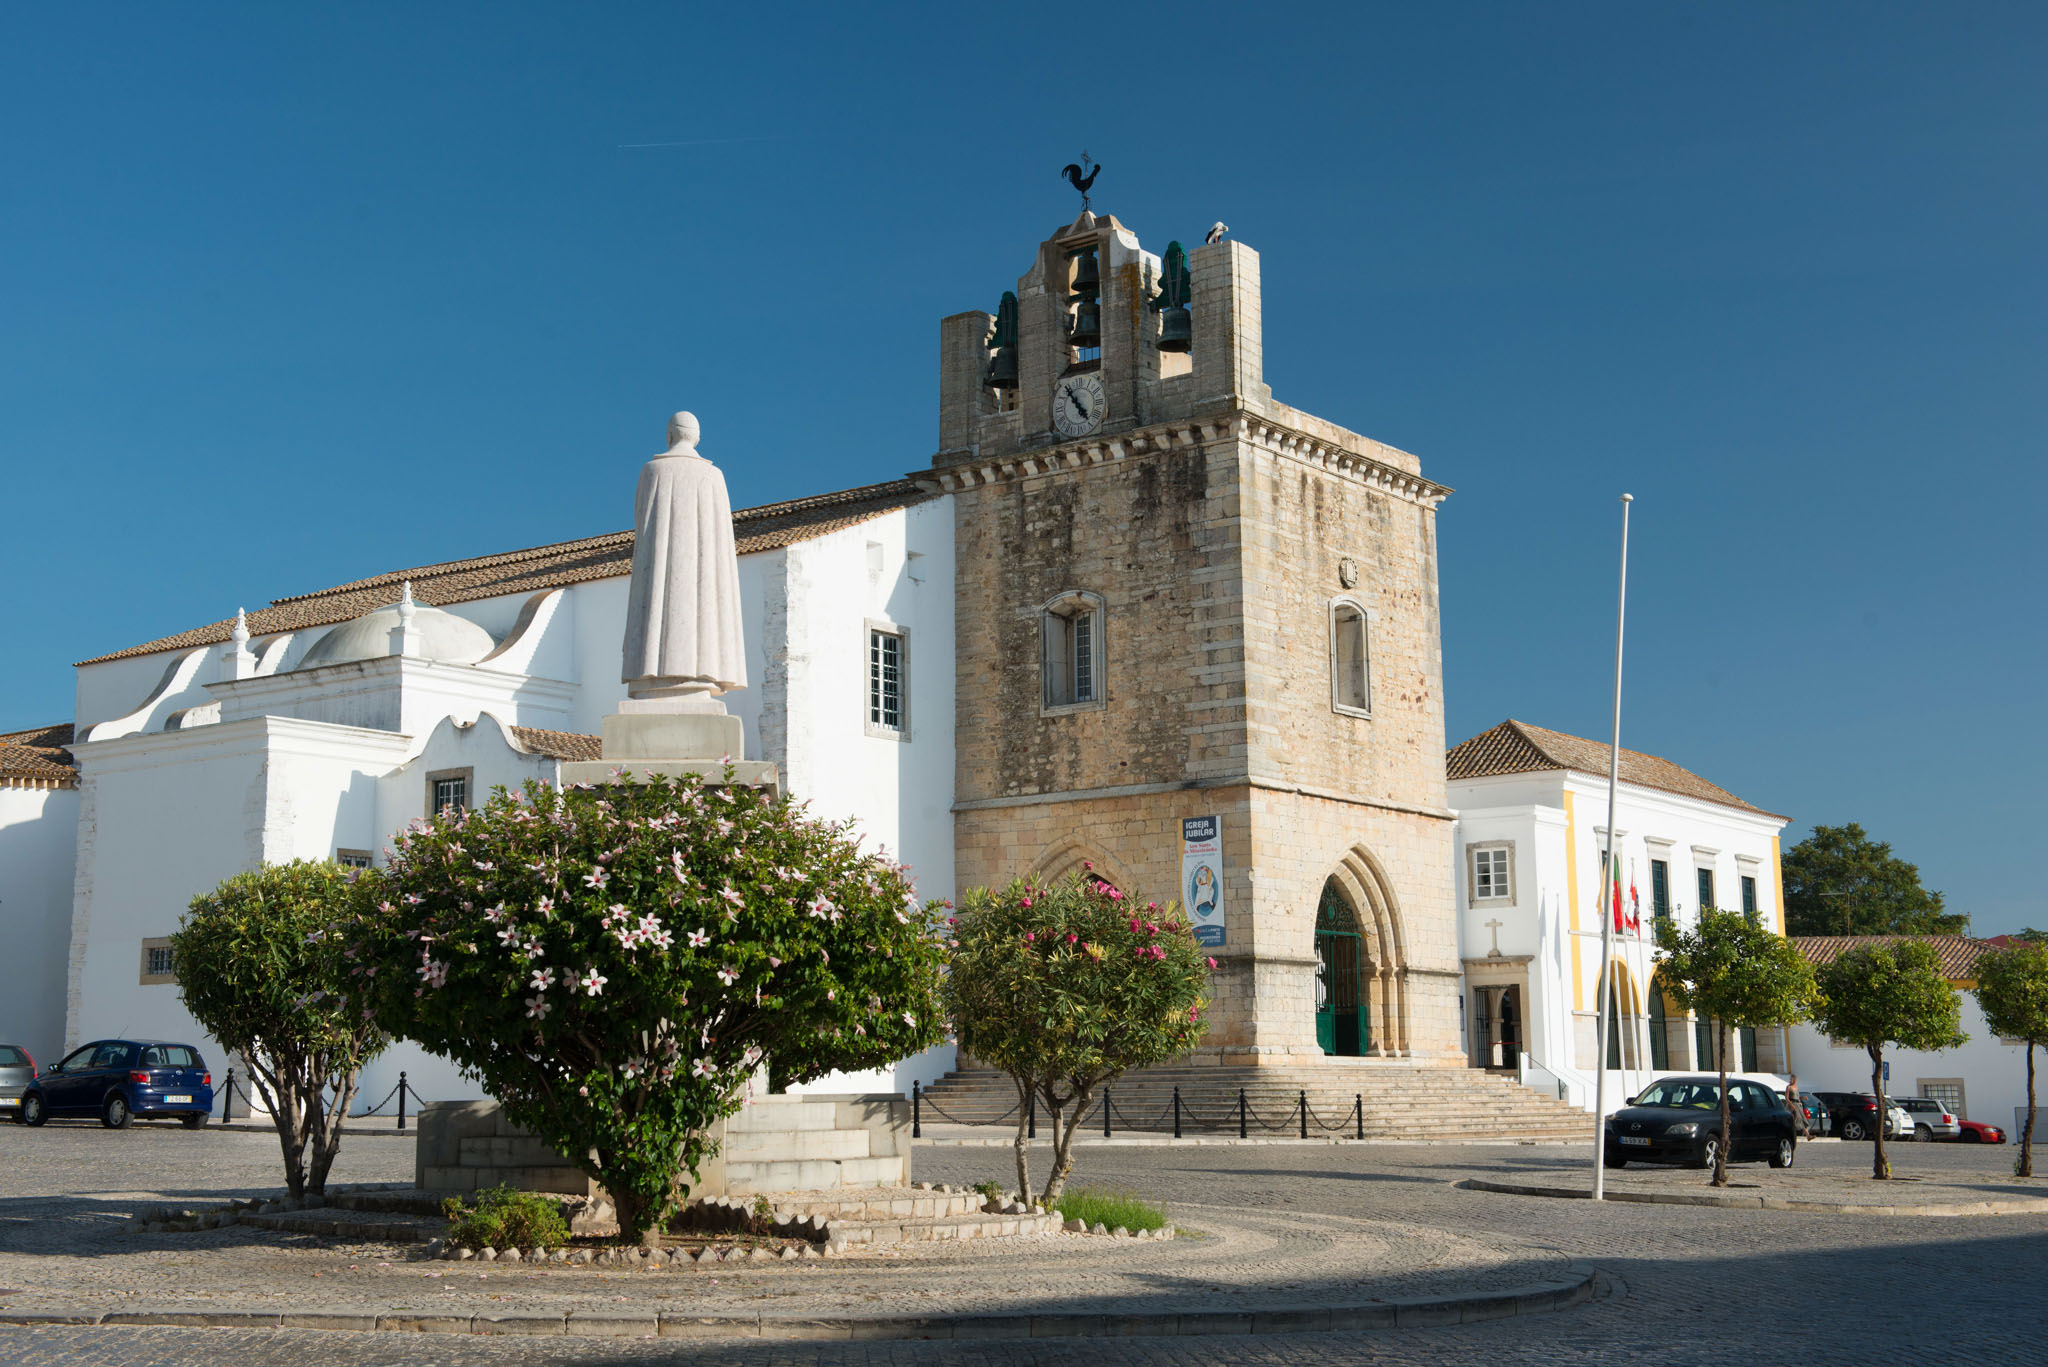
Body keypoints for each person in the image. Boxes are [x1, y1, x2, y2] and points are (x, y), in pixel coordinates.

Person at [1785, 1073, 1812, 1139]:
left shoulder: (1796, 1087)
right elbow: (1787, 1098)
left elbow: (1797, 1097)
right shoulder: (1789, 1087)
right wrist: (1792, 1106)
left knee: (1802, 1119)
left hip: (1798, 1105)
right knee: (1796, 1120)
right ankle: (1791, 1135)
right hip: (1792, 1105)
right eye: (1795, 1079)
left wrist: (1802, 1098)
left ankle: (1808, 1135)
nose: (1795, 1081)